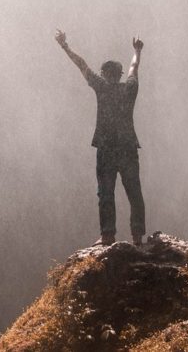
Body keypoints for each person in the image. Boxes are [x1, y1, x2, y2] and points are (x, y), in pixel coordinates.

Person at [55, 29, 146, 246]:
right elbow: (134, 67)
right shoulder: (129, 89)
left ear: (104, 74)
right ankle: (137, 236)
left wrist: (65, 46)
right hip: (127, 146)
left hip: (107, 147)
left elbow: (82, 65)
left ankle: (107, 235)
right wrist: (137, 50)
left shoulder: (102, 87)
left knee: (106, 192)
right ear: (120, 74)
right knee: (134, 191)